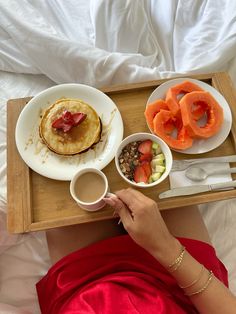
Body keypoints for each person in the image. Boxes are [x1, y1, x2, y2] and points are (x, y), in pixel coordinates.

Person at [36, 188, 236, 313]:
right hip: (188, 287)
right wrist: (165, 245)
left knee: (62, 185)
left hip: (85, 284)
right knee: (166, 174)